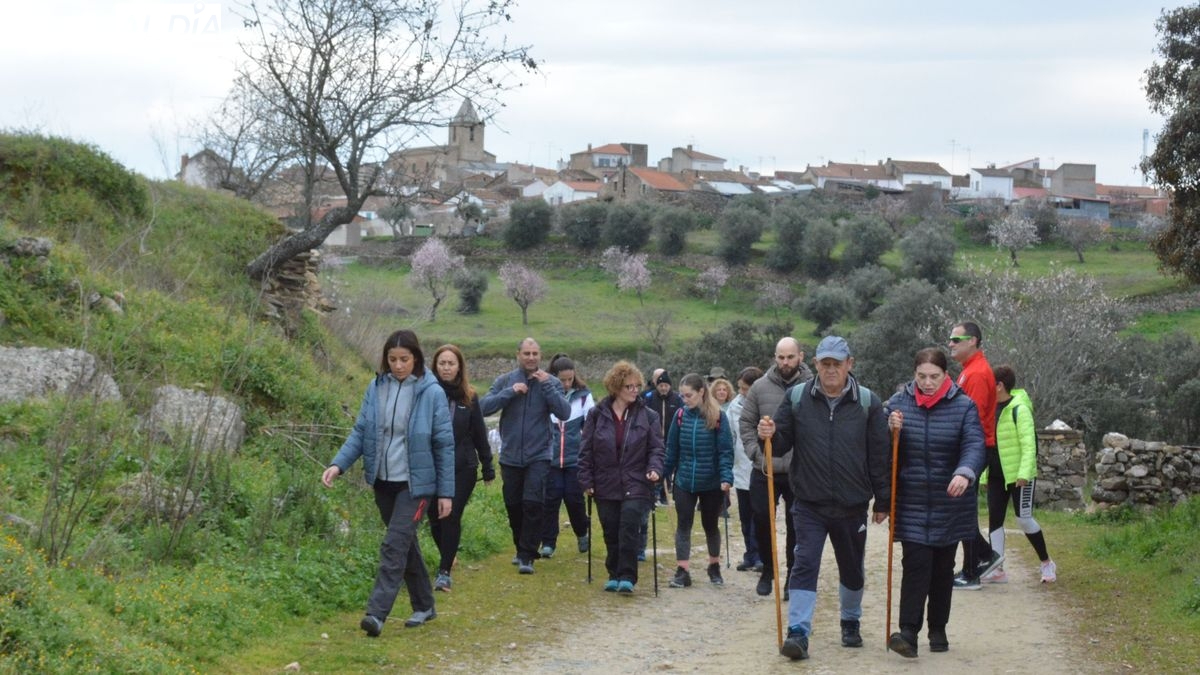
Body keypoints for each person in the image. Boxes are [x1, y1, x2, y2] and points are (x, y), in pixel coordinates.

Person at [756, 336, 890, 661]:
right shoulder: (798, 397)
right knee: (804, 564)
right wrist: (768, 437)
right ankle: (798, 633)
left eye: (837, 364)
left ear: (849, 365)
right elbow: (783, 443)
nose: (830, 370)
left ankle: (850, 620)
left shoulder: (868, 403)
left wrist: (883, 501)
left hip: (852, 504)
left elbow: (879, 455)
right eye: (825, 363)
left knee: (852, 568)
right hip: (809, 503)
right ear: (815, 364)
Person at [322, 329, 454, 637]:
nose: (398, 365)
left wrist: (446, 492)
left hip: (417, 485)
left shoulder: (432, 392)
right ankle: (425, 604)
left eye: (404, 359)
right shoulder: (375, 387)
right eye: (392, 359)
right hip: (383, 481)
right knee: (404, 544)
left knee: (394, 545)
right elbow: (361, 431)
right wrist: (338, 464)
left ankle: (376, 614)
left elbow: (443, 444)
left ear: (416, 358)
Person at [885, 347, 986, 658]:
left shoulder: (964, 406)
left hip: (950, 501)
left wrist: (965, 472)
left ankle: (938, 629)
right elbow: (880, 448)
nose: (927, 383)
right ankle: (908, 633)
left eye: (934, 377)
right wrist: (890, 432)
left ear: (946, 375)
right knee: (915, 565)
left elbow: (974, 444)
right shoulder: (897, 405)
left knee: (943, 568)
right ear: (914, 374)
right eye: (921, 377)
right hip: (912, 499)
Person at [480, 337, 571, 575]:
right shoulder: (505, 381)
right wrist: (509, 393)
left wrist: (548, 387)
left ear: (540, 356)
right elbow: (483, 407)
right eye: (527, 353)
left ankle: (527, 555)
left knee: (533, 503)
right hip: (510, 455)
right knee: (513, 504)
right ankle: (520, 546)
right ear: (518, 355)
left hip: (539, 455)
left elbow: (564, 412)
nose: (531, 358)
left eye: (535, 354)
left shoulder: (549, 382)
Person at [578, 361, 665, 593]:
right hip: (604, 481)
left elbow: (657, 448)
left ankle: (627, 575)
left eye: (637, 386)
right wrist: (586, 480)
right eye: (629, 387)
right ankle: (613, 573)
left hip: (637, 480)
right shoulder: (596, 415)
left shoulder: (649, 416)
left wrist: (655, 468)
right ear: (616, 388)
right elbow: (585, 450)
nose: (635, 390)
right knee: (610, 528)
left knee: (629, 526)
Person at [738, 337, 812, 597]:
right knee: (760, 519)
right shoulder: (759, 387)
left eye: (790, 357)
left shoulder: (811, 387)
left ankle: (793, 575)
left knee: (797, 525)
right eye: (780, 357)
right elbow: (746, 424)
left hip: (798, 469)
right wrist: (756, 454)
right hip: (765, 468)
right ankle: (768, 569)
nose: (785, 362)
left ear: (800, 356)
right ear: (775, 357)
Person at [429, 344, 495, 593]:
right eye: (442, 363)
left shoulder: (469, 396)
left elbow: (480, 433)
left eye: (451, 363)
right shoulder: (426, 393)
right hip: (433, 466)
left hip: (463, 466)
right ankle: (449, 553)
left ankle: (444, 572)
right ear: (435, 366)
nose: (446, 368)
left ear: (459, 367)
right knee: (434, 517)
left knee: (451, 514)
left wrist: (487, 466)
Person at [983, 365, 1057, 584]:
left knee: (1024, 519)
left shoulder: (1019, 409)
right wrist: (983, 477)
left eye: (990, 382)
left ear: (999, 385)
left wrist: (1024, 474)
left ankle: (1046, 563)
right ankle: (997, 568)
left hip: (1020, 476)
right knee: (995, 520)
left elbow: (1028, 445)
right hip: (996, 475)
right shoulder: (988, 408)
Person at [664, 373, 734, 588]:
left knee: (710, 525)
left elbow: (725, 451)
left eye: (689, 395)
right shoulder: (679, 416)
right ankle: (682, 570)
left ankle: (714, 566)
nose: (685, 400)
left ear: (701, 392)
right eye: (682, 396)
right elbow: (671, 449)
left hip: (711, 482)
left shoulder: (718, 417)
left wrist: (726, 477)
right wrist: (662, 473)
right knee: (683, 525)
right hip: (684, 481)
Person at [948, 321, 1004, 590]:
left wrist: (963, 452)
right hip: (974, 447)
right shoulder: (969, 371)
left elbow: (975, 418)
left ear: (973, 341)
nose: (951, 343)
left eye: (956, 339)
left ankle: (972, 571)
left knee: (963, 508)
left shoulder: (978, 373)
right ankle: (983, 556)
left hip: (976, 448)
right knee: (962, 508)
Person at [541, 354, 595, 558]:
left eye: (569, 379)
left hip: (575, 459)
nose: (565, 383)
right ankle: (548, 542)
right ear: (553, 377)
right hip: (550, 459)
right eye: (562, 379)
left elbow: (591, 427)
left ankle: (582, 532)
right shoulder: (545, 395)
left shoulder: (583, 396)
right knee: (551, 499)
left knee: (574, 499)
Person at [729, 367, 764, 572]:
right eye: (740, 388)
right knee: (744, 516)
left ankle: (760, 554)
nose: (741, 392)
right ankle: (749, 554)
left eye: (745, 388)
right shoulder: (734, 406)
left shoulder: (765, 403)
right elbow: (732, 436)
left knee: (758, 516)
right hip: (741, 468)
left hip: (759, 466)